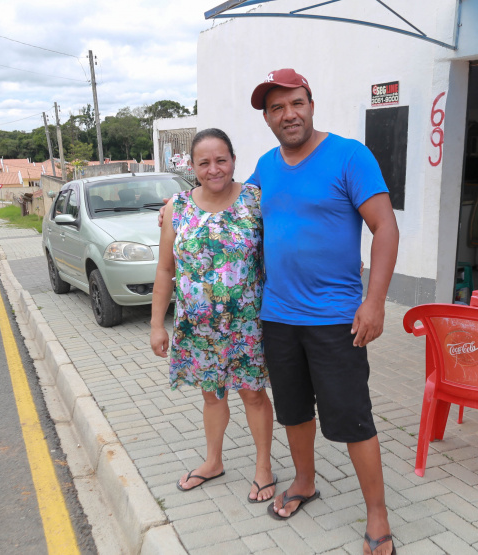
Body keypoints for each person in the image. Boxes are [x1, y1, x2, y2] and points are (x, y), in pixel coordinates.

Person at [248, 69, 399, 555]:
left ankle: (377, 513)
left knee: (353, 418)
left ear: (311, 103)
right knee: (293, 410)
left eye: (295, 103)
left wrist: (373, 302)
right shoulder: (265, 166)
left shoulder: (350, 155)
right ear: (268, 118)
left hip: (336, 318)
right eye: (276, 108)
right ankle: (305, 482)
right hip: (278, 316)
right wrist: (180, 206)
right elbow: (233, 210)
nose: (287, 114)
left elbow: (385, 228)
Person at [150, 128, 277, 504]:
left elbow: (292, 232)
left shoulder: (256, 200)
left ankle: (263, 467)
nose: (214, 169)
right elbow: (164, 271)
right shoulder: (177, 208)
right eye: (204, 162)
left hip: (247, 325)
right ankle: (213, 461)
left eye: (221, 160)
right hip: (198, 327)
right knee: (211, 396)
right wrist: (158, 324)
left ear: (234, 161)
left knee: (253, 395)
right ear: (192, 166)